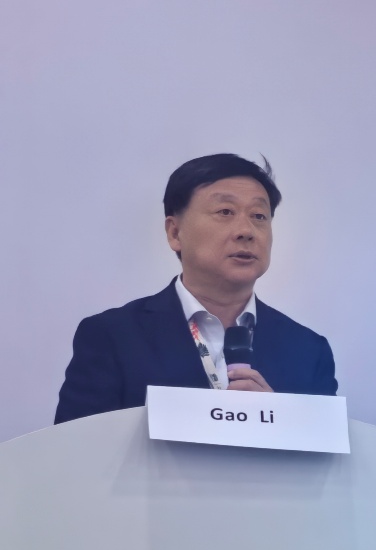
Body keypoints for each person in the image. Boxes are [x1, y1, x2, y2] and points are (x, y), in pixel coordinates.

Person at [54, 154, 337, 424]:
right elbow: (74, 450)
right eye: (225, 212)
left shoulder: (308, 351)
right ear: (175, 233)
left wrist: (278, 420)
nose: (246, 231)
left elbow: (326, 454)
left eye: (259, 216)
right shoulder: (112, 337)